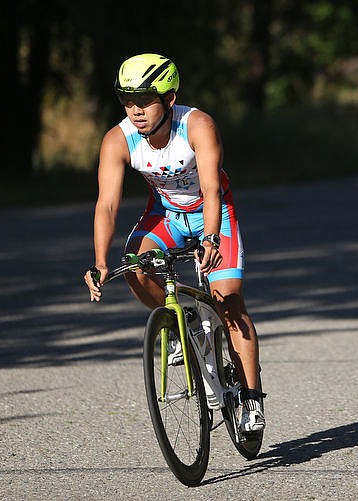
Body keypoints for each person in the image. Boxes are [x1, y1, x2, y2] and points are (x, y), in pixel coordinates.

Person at [83, 53, 264, 432]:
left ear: (170, 98)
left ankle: (250, 398)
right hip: (166, 215)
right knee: (135, 265)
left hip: (214, 213)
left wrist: (212, 237)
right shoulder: (119, 139)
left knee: (228, 301)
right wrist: (100, 261)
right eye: (128, 101)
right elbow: (107, 203)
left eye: (146, 100)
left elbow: (213, 189)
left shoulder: (197, 125)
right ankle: (185, 319)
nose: (136, 111)